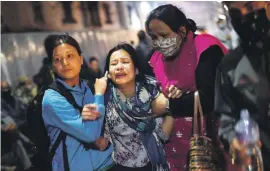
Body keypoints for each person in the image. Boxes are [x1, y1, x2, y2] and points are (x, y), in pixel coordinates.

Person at [145, 4, 235, 171]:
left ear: (182, 31)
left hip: (212, 140)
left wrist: (168, 104)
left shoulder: (205, 48)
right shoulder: (156, 59)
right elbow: (148, 96)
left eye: (164, 35)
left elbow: (210, 98)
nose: (159, 42)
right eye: (154, 37)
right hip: (174, 147)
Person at [89, 43, 174, 171]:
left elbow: (171, 115)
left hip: (155, 164)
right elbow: (96, 138)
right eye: (114, 64)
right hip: (122, 167)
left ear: (136, 69)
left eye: (125, 62)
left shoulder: (154, 91)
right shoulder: (105, 99)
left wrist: (162, 135)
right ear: (108, 74)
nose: (119, 67)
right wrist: (99, 94)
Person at [42, 34, 113, 171]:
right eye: (58, 59)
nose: (65, 63)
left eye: (70, 56)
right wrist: (99, 95)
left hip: (108, 163)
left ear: (80, 59)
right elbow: (90, 134)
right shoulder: (51, 99)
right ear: (52, 66)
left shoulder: (88, 87)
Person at [214, 1, 270, 170]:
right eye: (237, 14)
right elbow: (227, 119)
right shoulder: (230, 66)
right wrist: (234, 141)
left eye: (251, 7)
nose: (245, 16)